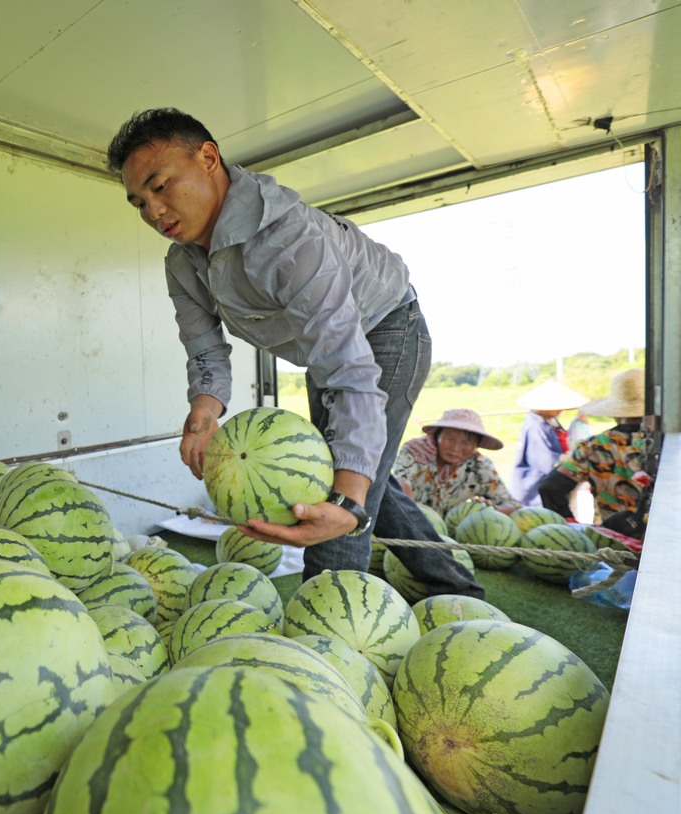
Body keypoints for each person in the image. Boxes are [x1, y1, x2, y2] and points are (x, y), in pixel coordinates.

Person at [106, 108, 481, 598]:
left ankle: (330, 627)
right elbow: (204, 347)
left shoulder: (290, 240)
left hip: (386, 330)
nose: (153, 212)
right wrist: (204, 409)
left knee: (337, 497)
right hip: (322, 349)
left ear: (208, 158)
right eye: (138, 202)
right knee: (364, 468)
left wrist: (346, 500)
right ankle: (452, 581)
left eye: (161, 186)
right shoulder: (182, 264)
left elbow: (348, 364)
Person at [539, 369, 654, 528]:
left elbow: (550, 487)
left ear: (615, 411)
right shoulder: (665, 444)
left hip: (613, 540)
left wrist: (570, 528)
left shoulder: (593, 447)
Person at [393, 409, 519, 516]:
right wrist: (415, 515)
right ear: (437, 436)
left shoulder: (480, 466)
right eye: (450, 439)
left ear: (476, 445)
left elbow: (512, 505)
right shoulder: (415, 452)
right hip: (411, 525)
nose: (455, 448)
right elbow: (400, 485)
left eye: (466, 443)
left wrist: (491, 509)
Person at [509, 380, 588, 507]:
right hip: (534, 490)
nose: (561, 409)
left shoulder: (549, 421)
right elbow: (547, 462)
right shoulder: (536, 427)